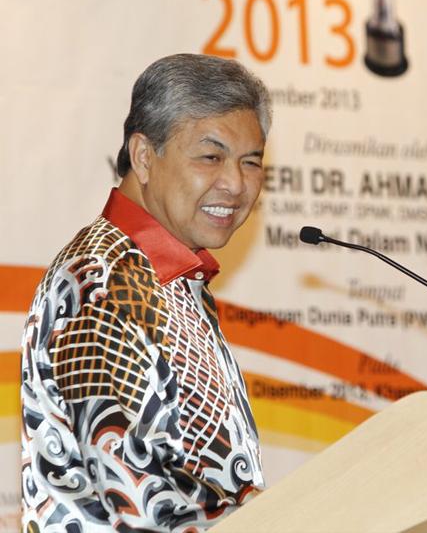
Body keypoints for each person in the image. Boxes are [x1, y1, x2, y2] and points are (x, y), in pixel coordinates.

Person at [20, 53, 271, 532]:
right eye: (211, 156)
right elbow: (137, 494)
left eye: (251, 162)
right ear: (143, 156)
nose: (236, 184)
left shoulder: (167, 277)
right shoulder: (103, 283)